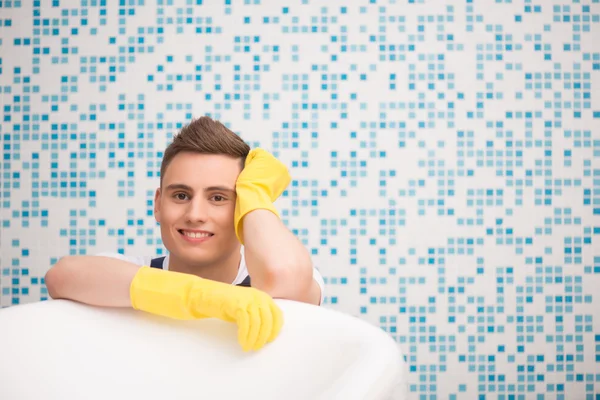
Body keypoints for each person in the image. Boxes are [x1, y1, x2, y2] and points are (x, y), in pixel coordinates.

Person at [45, 116, 325, 352]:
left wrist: (255, 192)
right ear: (158, 204)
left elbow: (283, 276)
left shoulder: (278, 278)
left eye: (218, 198)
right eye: (181, 195)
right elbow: (61, 277)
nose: (195, 214)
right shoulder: (128, 274)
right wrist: (203, 297)